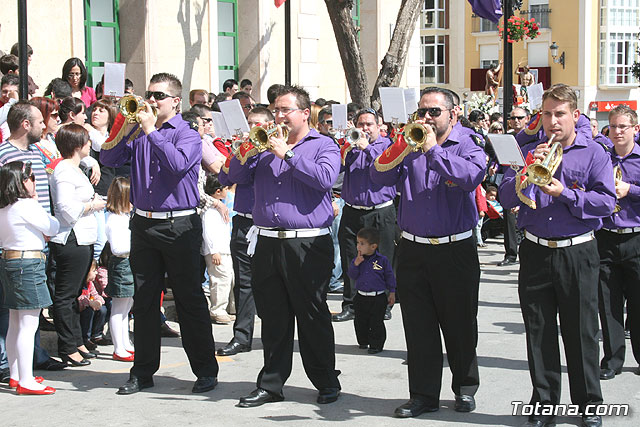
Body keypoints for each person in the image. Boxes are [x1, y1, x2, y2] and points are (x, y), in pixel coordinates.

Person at [499, 84, 615, 427]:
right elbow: (506, 198)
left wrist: (565, 193)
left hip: (578, 250)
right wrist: (524, 172)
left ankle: (589, 404)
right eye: (547, 114)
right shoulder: (528, 150)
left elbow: (606, 203)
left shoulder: (593, 153)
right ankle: (544, 403)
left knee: (581, 333)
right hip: (535, 250)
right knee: (538, 331)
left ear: (574, 116)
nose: (552, 121)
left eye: (559, 114)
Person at [100, 72, 218, 395]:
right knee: (145, 299)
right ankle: (142, 371)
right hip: (143, 223)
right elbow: (108, 158)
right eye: (148, 94)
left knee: (189, 298)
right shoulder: (137, 130)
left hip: (179, 224)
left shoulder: (188, 133)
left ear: (175, 102)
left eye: (158, 96)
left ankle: (206, 369)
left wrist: (152, 132)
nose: (150, 100)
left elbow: (178, 165)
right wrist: (124, 127)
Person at [370, 87, 485, 418]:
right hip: (414, 249)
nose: (427, 118)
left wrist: (433, 149)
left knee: (460, 324)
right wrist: (400, 147)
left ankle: (464, 387)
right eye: (423, 112)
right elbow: (378, 177)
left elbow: (470, 177)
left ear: (454, 114)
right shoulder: (411, 142)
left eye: (434, 112)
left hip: (455, 249)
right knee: (418, 326)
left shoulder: (468, 144)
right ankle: (422, 394)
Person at [228, 85, 341, 407]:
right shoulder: (263, 146)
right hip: (266, 240)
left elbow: (324, 179)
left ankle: (326, 380)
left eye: (285, 110)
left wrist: (287, 154)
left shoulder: (324, 145)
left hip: (307, 243)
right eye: (275, 110)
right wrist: (246, 150)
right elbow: (231, 176)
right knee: (274, 318)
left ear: (305, 113)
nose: (278, 116)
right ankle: (271, 384)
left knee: (312, 315)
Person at [0, 100, 67, 373]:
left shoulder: (37, 153)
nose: (44, 125)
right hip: (16, 242)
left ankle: (32, 359)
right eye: (40, 121)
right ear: (25, 124)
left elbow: (44, 196)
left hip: (38, 238)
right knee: (14, 312)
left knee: (30, 310)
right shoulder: (4, 154)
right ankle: (7, 364)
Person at [217, 106, 274, 357]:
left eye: (258, 124)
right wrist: (241, 151)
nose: (253, 128)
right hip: (244, 222)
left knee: (272, 284)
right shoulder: (244, 151)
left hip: (269, 226)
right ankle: (242, 336)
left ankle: (274, 334)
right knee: (244, 283)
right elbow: (225, 178)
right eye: (250, 123)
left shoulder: (275, 152)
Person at [0, 161, 60, 395]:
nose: (35, 182)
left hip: (11, 260)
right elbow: (52, 227)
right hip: (28, 262)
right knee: (27, 324)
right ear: (22, 181)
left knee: (16, 322)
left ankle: (17, 375)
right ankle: (25, 379)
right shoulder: (26, 205)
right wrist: (39, 208)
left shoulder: (5, 206)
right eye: (32, 178)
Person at [49, 124, 106, 367]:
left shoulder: (75, 168)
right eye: (85, 140)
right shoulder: (63, 170)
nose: (90, 143)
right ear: (76, 145)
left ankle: (76, 342)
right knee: (66, 295)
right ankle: (67, 346)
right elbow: (66, 209)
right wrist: (92, 205)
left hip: (82, 238)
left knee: (73, 295)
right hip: (70, 237)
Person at [333, 109, 396, 323]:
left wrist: (366, 148)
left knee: (382, 260)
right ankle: (350, 304)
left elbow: (383, 166)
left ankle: (385, 304)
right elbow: (338, 168)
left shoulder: (387, 146)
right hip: (352, 211)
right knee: (351, 257)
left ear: (379, 127)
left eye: (369, 124)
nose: (364, 129)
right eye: (361, 124)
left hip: (380, 211)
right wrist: (347, 148)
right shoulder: (351, 146)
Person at [597, 104, 640, 381]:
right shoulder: (601, 158)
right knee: (608, 302)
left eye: (623, 126)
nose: (617, 131)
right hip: (606, 237)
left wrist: (631, 190)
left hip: (636, 237)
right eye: (613, 126)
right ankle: (613, 359)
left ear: (635, 129)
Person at [348, 227, 396, 354]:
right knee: (360, 320)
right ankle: (363, 341)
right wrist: (356, 264)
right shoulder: (357, 259)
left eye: (362, 244)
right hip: (361, 296)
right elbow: (352, 275)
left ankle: (376, 344)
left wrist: (392, 292)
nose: (358, 246)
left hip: (378, 297)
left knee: (376, 322)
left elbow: (389, 276)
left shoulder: (382, 260)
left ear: (373, 246)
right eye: (357, 243)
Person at [104, 176, 135, 362]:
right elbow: (117, 248)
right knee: (118, 308)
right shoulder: (114, 220)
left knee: (126, 307)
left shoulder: (124, 217)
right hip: (121, 263)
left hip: (128, 263)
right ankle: (118, 347)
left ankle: (125, 343)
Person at [201, 175, 234, 324]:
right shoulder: (209, 212)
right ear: (218, 191)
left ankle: (227, 307)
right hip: (217, 251)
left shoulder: (219, 208)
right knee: (220, 280)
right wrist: (214, 250)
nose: (227, 191)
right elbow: (208, 232)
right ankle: (217, 310)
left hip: (224, 249)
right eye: (225, 188)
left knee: (228, 279)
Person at [77, 260, 105, 358]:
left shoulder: (90, 284)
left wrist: (99, 301)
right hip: (81, 310)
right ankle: (85, 338)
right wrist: (89, 303)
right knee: (88, 312)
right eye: (93, 271)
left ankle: (96, 334)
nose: (96, 273)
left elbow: (96, 295)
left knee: (103, 310)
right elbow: (78, 300)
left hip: (90, 305)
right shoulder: (78, 284)